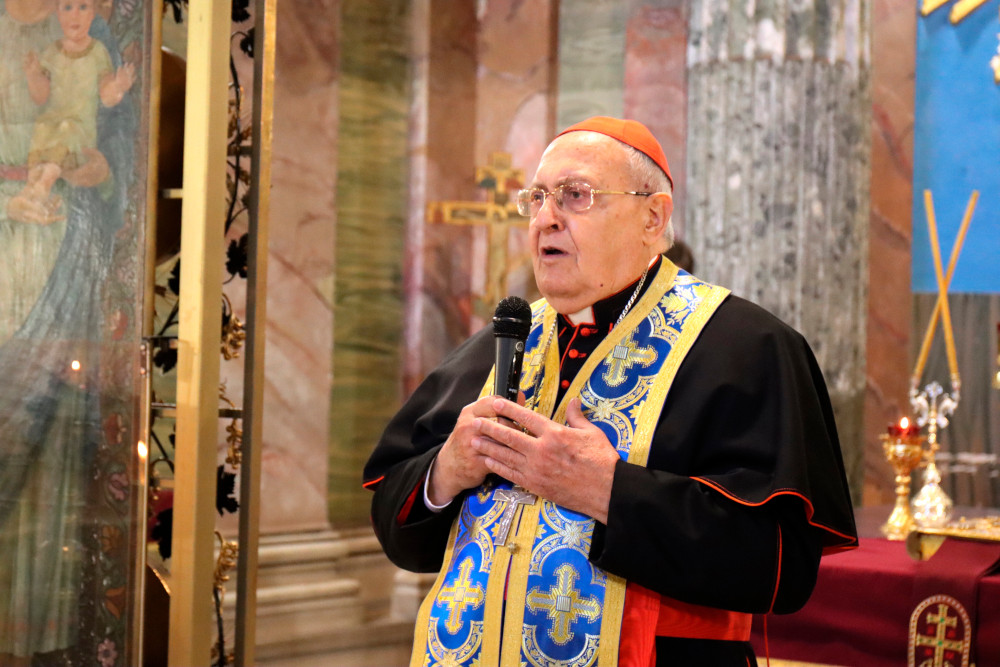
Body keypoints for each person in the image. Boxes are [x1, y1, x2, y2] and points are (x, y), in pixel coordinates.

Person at [364, 116, 857, 666]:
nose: (546, 219)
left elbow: (782, 569)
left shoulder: (746, 346)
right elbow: (396, 524)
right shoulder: (503, 343)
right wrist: (446, 471)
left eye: (576, 196)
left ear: (653, 216)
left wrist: (609, 490)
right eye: (538, 198)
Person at [8, 0, 134, 224]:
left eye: (83, 7)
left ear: (93, 11)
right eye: (67, 8)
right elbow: (41, 95)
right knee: (44, 128)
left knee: (68, 129)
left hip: (78, 128)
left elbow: (109, 100)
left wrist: (118, 86)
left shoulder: (98, 49)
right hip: (50, 124)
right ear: (59, 12)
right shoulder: (51, 51)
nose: (75, 15)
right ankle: (31, 190)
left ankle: (42, 187)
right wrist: (33, 75)